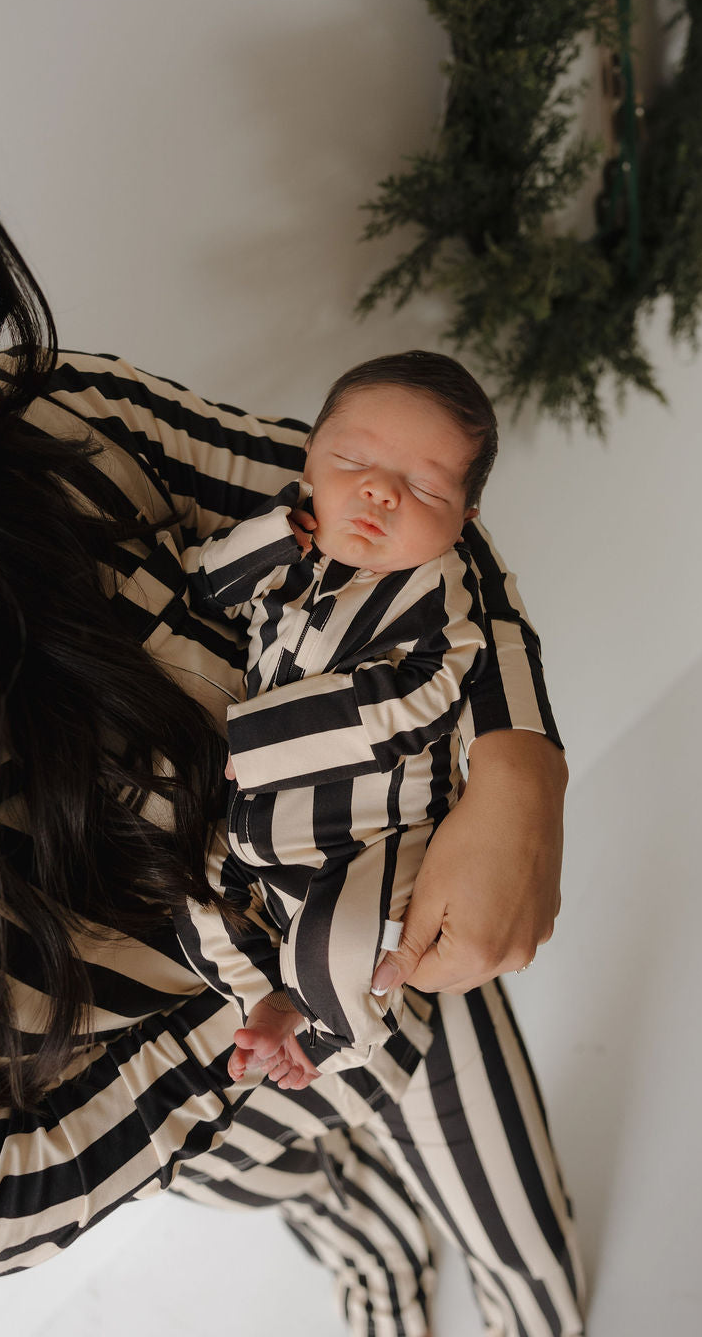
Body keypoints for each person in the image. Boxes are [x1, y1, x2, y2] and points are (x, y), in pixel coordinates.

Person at [0, 70, 585, 1337]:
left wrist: (519, 760)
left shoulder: (56, 428)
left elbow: (399, 512)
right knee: (336, 1219)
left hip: (401, 953)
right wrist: (273, 1019)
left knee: (518, 1224)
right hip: (221, 1119)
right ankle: (379, 1283)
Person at [184, 350, 501, 1083]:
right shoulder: (286, 546)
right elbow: (204, 591)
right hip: (255, 828)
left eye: (423, 487)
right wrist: (268, 539)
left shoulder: (441, 597)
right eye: (352, 459)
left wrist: (257, 742)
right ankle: (264, 998)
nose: (379, 492)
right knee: (191, 896)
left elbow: (413, 701)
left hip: (370, 841)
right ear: (310, 458)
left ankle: (329, 1040)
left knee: (342, 943)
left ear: (465, 520)